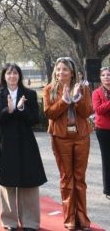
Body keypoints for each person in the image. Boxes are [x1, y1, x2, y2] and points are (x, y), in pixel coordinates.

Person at [0, 63, 47, 231]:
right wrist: (9, 110)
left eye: (15, 73)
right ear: (4, 76)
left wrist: (20, 109)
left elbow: (35, 119)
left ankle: (30, 221)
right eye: (9, 73)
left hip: (26, 143)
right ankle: (9, 221)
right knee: (7, 183)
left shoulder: (29, 94)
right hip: (5, 144)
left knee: (29, 181)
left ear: (19, 76)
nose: (12, 76)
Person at [43, 57, 92, 231]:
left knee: (80, 178)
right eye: (58, 69)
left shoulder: (83, 88)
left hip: (81, 137)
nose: (61, 72)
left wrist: (76, 97)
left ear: (72, 73)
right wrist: (64, 100)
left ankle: (82, 217)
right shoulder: (49, 89)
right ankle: (69, 218)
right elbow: (49, 113)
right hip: (60, 137)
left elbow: (87, 112)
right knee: (66, 178)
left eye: (65, 69)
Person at [92, 66, 110, 200]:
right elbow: (98, 110)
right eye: (103, 75)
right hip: (103, 130)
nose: (106, 77)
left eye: (108, 75)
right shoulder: (97, 93)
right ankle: (108, 188)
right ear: (100, 78)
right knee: (107, 158)